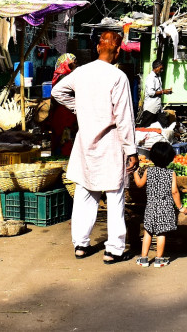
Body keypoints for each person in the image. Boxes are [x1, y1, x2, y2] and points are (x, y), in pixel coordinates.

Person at [51, 30, 137, 264]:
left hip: (86, 143)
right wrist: (131, 150)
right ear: (118, 51)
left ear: (98, 48)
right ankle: (114, 249)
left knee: (85, 193)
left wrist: (79, 107)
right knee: (114, 195)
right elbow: (124, 117)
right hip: (110, 143)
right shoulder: (118, 77)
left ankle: (80, 244)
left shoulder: (81, 72)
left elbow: (57, 91)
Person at [131, 141, 187, 267]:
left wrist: (135, 172)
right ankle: (159, 259)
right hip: (165, 207)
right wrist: (180, 207)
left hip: (151, 206)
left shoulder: (148, 171)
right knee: (161, 233)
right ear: (169, 159)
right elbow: (174, 192)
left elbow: (139, 184)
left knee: (148, 232)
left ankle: (144, 258)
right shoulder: (170, 173)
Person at [44, 53, 79, 156]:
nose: (75, 65)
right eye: (73, 63)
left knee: (62, 139)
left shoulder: (59, 75)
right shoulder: (64, 78)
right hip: (64, 114)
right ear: (66, 63)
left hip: (63, 113)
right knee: (65, 140)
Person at [137, 60, 172, 128]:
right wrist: (163, 92)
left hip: (157, 107)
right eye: (160, 68)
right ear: (156, 67)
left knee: (164, 126)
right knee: (144, 127)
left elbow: (158, 90)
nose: (162, 70)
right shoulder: (151, 78)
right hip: (151, 108)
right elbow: (151, 93)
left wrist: (165, 91)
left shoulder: (158, 77)